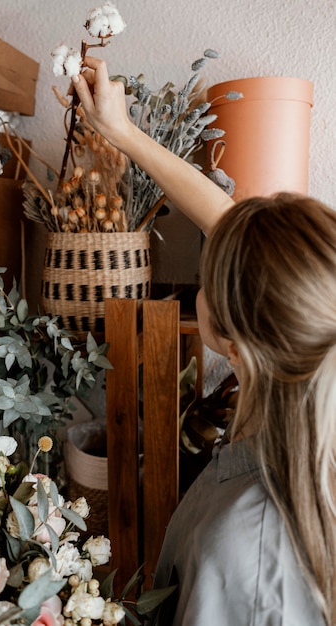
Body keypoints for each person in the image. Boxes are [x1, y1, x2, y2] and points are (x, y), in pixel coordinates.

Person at [72, 58, 336, 626]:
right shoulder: (308, 370)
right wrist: (119, 131)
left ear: (235, 343)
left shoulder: (247, 556)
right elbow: (239, 235)